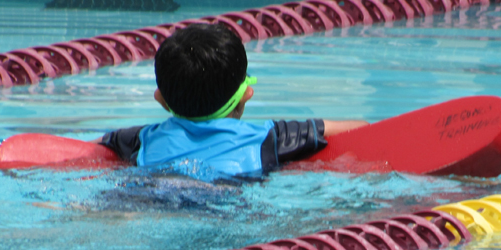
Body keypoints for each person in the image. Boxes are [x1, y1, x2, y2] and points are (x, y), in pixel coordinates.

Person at [90, 23, 368, 184]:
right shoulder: (271, 137)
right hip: (229, 204)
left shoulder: (137, 141)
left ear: (160, 99)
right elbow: (361, 129)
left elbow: (88, 152)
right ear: (246, 95)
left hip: (148, 198)